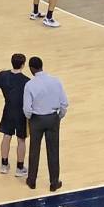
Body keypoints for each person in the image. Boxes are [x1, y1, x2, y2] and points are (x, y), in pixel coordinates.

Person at [22, 57, 67, 189]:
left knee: (34, 151)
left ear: (31, 68)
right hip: (53, 118)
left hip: (36, 119)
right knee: (53, 150)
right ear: (42, 66)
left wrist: (30, 118)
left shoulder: (30, 85)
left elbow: (27, 108)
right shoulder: (55, 81)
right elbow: (64, 103)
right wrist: (59, 116)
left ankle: (32, 181)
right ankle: (54, 182)